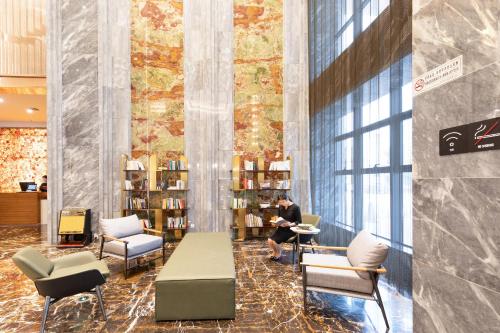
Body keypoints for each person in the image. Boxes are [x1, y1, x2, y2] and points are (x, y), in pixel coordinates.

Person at [267, 193, 302, 261]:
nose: (281, 204)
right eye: (280, 202)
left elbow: (299, 221)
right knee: (269, 240)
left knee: (275, 242)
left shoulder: (295, 207)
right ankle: (275, 252)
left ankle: (278, 253)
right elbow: (279, 218)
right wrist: (275, 223)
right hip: (281, 228)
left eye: (283, 202)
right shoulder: (281, 207)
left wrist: (289, 224)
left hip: (290, 230)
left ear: (287, 199)